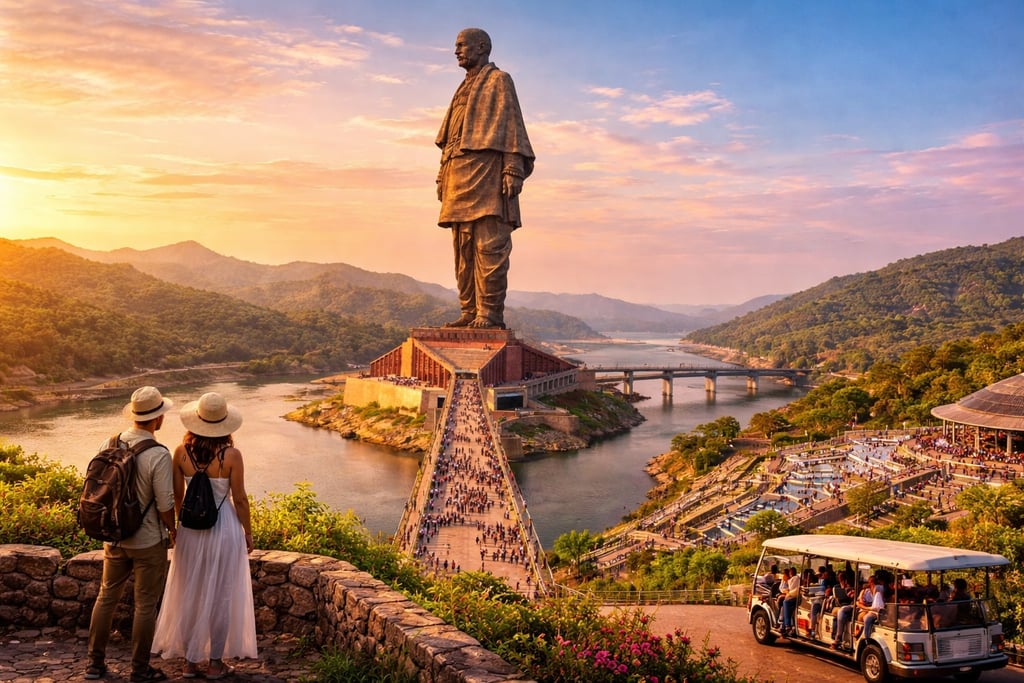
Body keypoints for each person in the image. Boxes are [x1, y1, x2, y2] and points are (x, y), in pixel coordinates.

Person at [151, 392, 257, 679]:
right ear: (226, 424)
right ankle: (214, 664)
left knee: (190, 593)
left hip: (190, 530)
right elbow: (241, 499)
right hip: (224, 529)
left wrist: (174, 530)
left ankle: (189, 663)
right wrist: (248, 533)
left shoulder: (180, 452)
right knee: (221, 595)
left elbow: (177, 496)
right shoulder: (232, 455)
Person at [436, 27, 535, 330]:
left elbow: (511, 124)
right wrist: (442, 173)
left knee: (490, 244)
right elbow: (451, 135)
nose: (456, 50)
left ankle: (489, 314)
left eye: (461, 45)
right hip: (458, 171)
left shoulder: (498, 80)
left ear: (482, 47)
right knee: (462, 246)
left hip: (488, 170)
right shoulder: (462, 87)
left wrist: (513, 167)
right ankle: (469, 310)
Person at [86, 386, 176, 682]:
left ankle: (94, 664)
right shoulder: (158, 454)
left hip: (113, 535)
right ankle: (139, 669)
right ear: (157, 419)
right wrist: (172, 530)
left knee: (106, 597)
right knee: (145, 605)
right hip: (148, 539)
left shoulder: (109, 442)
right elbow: (165, 503)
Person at [830, 571, 856, 649]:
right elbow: (836, 597)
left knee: (841, 612)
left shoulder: (850, 587)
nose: (840, 580)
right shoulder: (837, 587)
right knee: (837, 614)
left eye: (841, 579)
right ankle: (835, 636)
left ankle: (838, 638)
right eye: (839, 579)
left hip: (848, 605)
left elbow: (852, 597)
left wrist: (848, 591)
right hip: (840, 604)